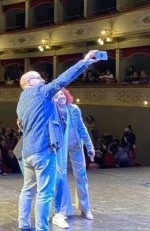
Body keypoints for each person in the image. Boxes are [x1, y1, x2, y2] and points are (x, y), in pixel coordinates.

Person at [17, 50, 100, 231]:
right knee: (45, 194)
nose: (42, 80)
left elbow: (21, 125)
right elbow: (63, 79)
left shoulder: (22, 100)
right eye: (39, 78)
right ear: (30, 83)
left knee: (27, 190)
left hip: (27, 153)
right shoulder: (40, 92)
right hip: (44, 151)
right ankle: (42, 228)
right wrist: (85, 62)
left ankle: (24, 225)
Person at [52, 89, 96, 229]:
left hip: (76, 145)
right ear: (53, 99)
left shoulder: (74, 109)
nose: (61, 96)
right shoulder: (52, 111)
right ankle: (63, 210)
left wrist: (90, 147)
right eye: (57, 95)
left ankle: (85, 208)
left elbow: (82, 128)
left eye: (62, 94)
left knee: (81, 177)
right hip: (61, 147)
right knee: (62, 177)